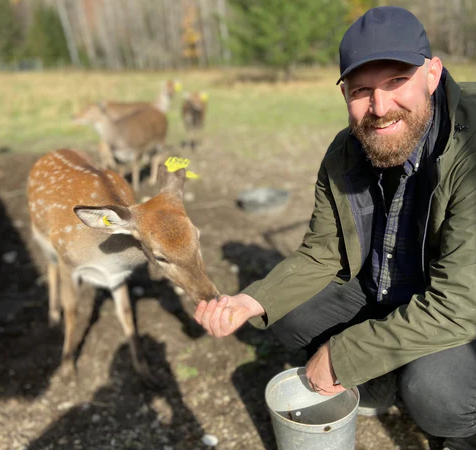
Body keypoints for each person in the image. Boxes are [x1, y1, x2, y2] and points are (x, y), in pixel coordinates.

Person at [194, 6, 476, 450]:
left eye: (396, 82)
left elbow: (457, 306)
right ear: (343, 91)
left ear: (433, 74)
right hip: (387, 287)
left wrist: (343, 355)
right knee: (286, 314)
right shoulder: (346, 153)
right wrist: (252, 300)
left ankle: (462, 432)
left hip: (460, 309)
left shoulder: (471, 151)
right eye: (362, 90)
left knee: (438, 393)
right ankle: (379, 381)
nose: (380, 108)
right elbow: (323, 251)